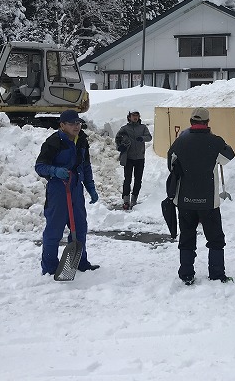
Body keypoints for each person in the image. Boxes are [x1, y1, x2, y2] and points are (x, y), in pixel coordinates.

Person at [167, 107, 235, 285]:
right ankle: (216, 273)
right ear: (207, 123)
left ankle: (186, 274)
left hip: (185, 199)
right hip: (208, 200)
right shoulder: (215, 141)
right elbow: (229, 156)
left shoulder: (180, 141)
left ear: (190, 122)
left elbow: (170, 164)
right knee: (215, 238)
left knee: (187, 237)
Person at [35, 109, 100, 275]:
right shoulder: (54, 142)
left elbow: (85, 166)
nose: (76, 126)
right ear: (62, 125)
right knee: (54, 230)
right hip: (58, 190)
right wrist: (55, 171)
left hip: (76, 189)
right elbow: (40, 167)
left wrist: (90, 187)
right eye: (72, 123)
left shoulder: (82, 140)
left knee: (79, 228)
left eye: (78, 123)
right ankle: (49, 267)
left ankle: (78, 262)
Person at [115, 110, 152, 209]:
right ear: (129, 117)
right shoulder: (125, 129)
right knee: (127, 179)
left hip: (140, 157)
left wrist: (142, 138)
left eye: (137, 116)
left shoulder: (143, 127)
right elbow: (117, 138)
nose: (135, 117)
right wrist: (120, 147)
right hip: (129, 158)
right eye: (133, 116)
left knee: (138, 180)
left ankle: (134, 199)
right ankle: (126, 200)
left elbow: (149, 137)